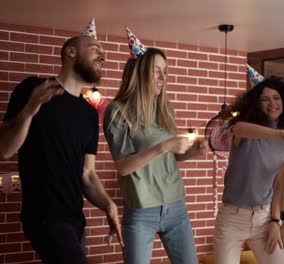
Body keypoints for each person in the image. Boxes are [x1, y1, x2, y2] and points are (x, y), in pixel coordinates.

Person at [0, 20, 122, 264]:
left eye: (103, 53)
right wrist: (30, 110)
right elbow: (5, 150)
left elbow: (87, 174)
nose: (103, 56)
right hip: (44, 217)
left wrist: (109, 205)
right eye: (95, 49)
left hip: (74, 220)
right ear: (71, 52)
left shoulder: (89, 114)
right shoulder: (34, 88)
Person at [103, 29, 209, 264]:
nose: (163, 78)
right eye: (156, 72)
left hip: (176, 208)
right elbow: (123, 166)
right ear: (139, 74)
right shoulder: (117, 111)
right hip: (142, 212)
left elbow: (173, 154)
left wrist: (193, 152)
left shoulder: (165, 108)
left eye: (165, 72)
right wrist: (163, 146)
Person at [213, 75, 284, 264]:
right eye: (265, 99)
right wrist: (281, 135)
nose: (271, 103)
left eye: (276, 98)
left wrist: (275, 221)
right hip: (232, 219)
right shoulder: (245, 129)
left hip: (263, 219)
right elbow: (240, 129)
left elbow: (278, 182)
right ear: (256, 104)